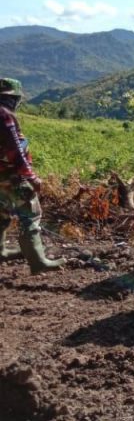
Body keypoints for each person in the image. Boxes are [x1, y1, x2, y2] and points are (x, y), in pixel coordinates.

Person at [0, 78, 65, 274]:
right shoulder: (4, 115)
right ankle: (38, 262)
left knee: (1, 214)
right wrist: (31, 177)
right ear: (13, 97)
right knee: (30, 214)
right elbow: (15, 150)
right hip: (12, 176)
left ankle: (1, 251)